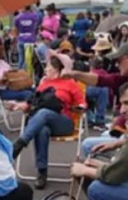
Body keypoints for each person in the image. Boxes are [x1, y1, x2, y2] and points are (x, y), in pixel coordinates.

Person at [10, 56, 86, 188]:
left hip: (64, 122)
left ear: (56, 69)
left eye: (48, 66)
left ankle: (19, 144)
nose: (45, 69)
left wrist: (77, 107)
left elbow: (83, 103)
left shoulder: (70, 84)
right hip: (44, 122)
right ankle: (42, 172)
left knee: (44, 113)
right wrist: (19, 105)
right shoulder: (44, 84)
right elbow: (34, 102)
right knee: (42, 129)